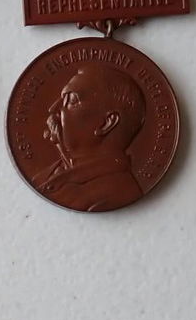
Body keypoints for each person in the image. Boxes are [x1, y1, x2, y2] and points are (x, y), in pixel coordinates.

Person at [32, 61, 147, 211]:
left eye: (71, 100)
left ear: (106, 123)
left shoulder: (114, 195)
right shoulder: (48, 174)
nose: (54, 108)